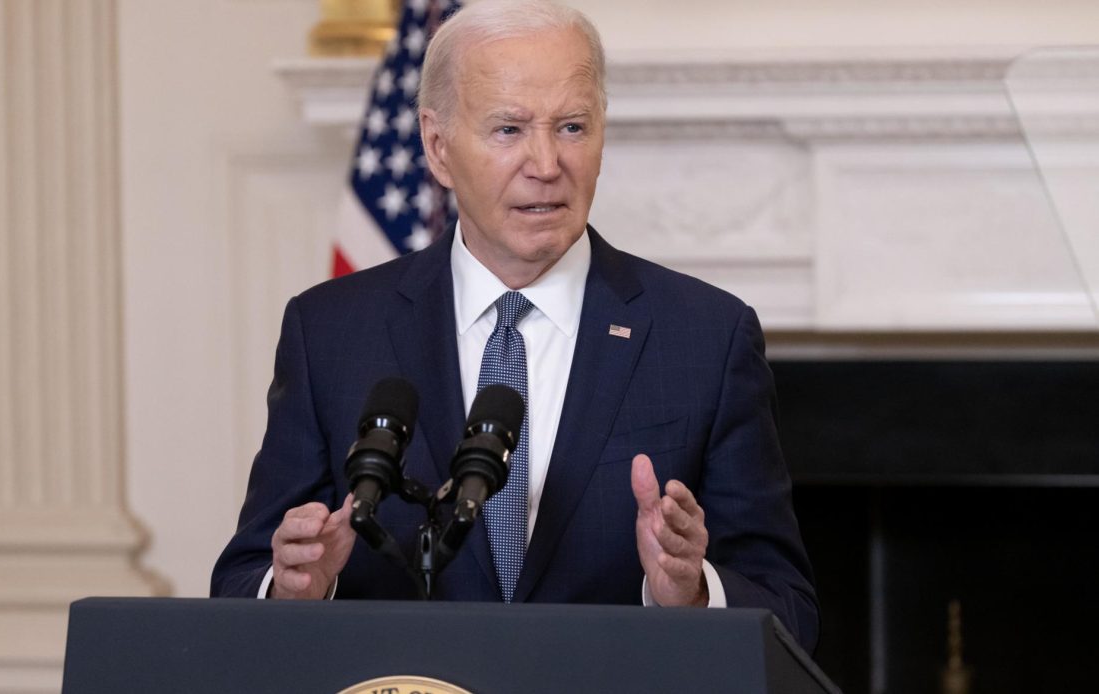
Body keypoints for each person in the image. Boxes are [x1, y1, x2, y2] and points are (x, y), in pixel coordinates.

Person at [211, 0, 818, 653]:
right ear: (438, 148)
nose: (547, 163)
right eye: (509, 129)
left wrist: (691, 591)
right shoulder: (331, 333)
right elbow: (242, 583)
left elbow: (791, 615)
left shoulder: (706, 337)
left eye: (573, 127)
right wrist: (298, 588)